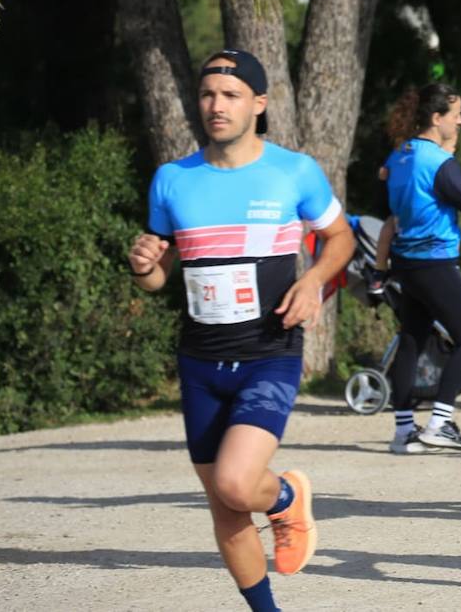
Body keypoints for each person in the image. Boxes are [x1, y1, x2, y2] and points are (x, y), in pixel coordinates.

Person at [127, 50, 355, 612]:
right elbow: (159, 277)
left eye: (230, 95)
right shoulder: (172, 179)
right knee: (225, 506)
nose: (216, 105)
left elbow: (341, 238)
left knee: (234, 482)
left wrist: (314, 284)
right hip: (200, 357)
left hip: (268, 352)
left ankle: (283, 495)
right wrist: (146, 267)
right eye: (207, 94)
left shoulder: (293, 170)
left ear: (258, 103)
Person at [376, 84, 461, 454]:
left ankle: (404, 432)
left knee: (412, 341)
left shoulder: (399, 155)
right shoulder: (437, 161)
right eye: (455, 113)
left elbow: (390, 190)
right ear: (436, 119)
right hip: (435, 261)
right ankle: (440, 421)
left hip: (405, 263)